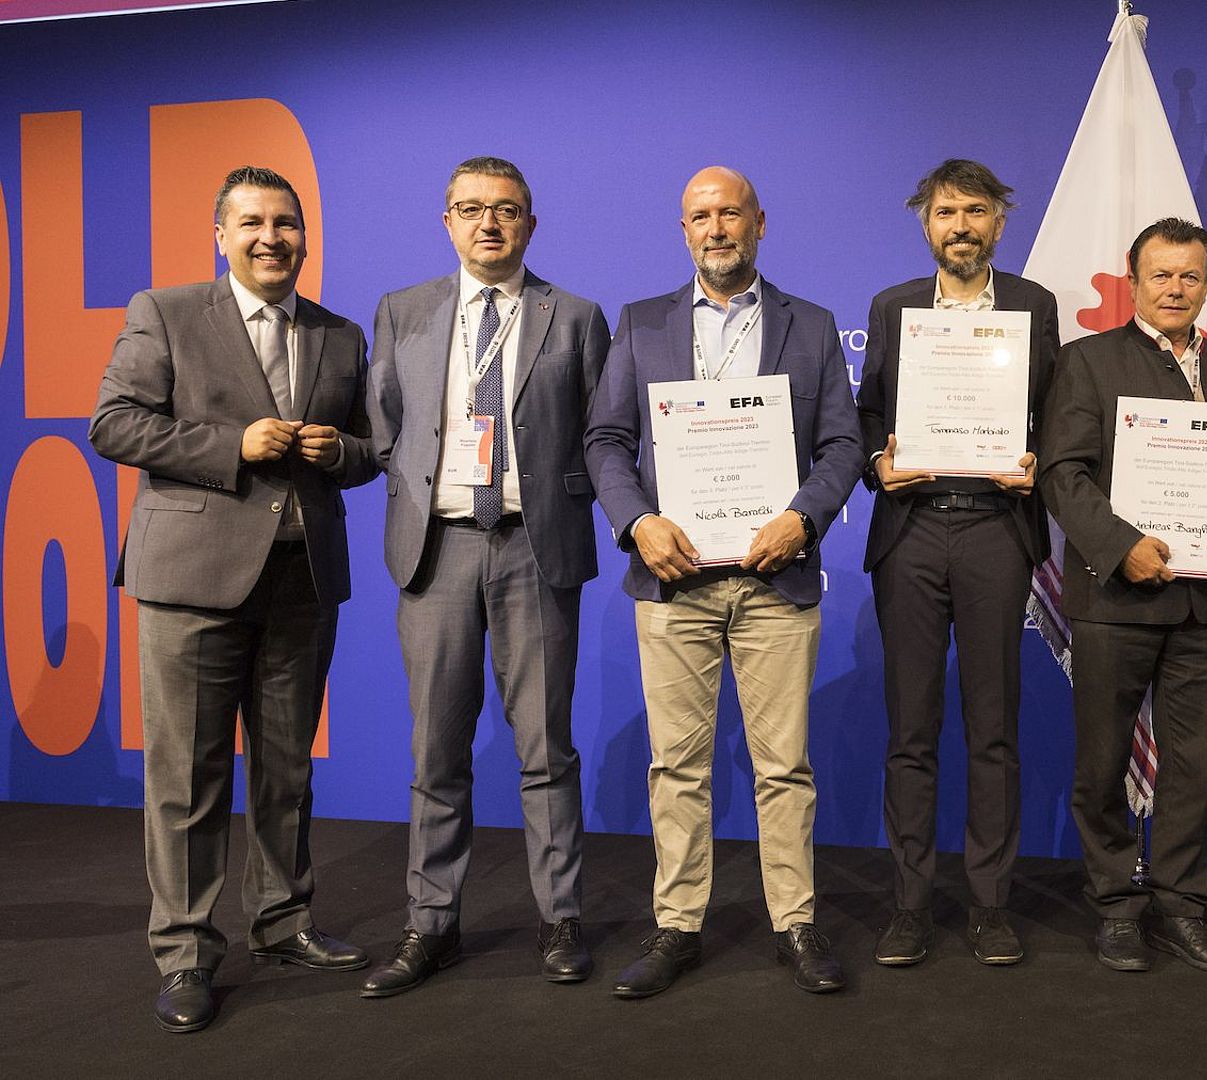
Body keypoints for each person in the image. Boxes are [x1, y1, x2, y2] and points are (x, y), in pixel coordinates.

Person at [89, 165, 379, 1032]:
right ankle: (185, 953)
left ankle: (284, 922)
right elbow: (113, 423)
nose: (271, 238)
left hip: (303, 582)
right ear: (220, 235)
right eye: (252, 222)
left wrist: (339, 455)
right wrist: (233, 444)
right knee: (187, 779)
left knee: (287, 772)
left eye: (286, 223)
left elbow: (374, 449)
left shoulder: (337, 332)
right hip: (191, 585)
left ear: (304, 235)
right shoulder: (166, 311)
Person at [585, 166, 864, 998]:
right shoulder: (640, 325)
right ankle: (677, 927)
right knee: (677, 765)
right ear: (684, 231)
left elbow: (844, 446)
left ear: (759, 223)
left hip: (775, 576)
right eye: (700, 216)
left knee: (785, 765)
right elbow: (604, 439)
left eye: (730, 213)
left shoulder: (810, 326)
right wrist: (639, 521)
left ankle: (796, 923)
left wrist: (804, 518)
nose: (717, 228)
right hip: (673, 578)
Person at [359, 157, 609, 997]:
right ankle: (431, 924)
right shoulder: (403, 311)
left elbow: (599, 433)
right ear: (447, 222)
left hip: (537, 550)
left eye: (506, 211)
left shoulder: (574, 316)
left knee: (547, 748)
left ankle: (561, 916)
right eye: (470, 209)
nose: (488, 224)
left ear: (530, 225)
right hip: (438, 551)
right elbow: (385, 425)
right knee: (437, 751)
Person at [1039, 217, 1207, 975]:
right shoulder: (1088, 361)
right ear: (1133, 281)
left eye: (1190, 276)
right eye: (1161, 275)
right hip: (1117, 596)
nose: (1176, 289)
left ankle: (1181, 906)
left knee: (1195, 762)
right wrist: (1118, 547)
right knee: (1102, 762)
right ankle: (1114, 903)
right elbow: (1062, 474)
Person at [856, 159, 1061, 967]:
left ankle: (988, 904)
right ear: (925, 222)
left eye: (977, 211)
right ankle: (909, 905)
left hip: (995, 529)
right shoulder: (893, 305)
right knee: (910, 728)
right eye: (947, 212)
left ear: (999, 224)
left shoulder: (1036, 307)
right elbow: (869, 405)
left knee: (993, 728)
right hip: (910, 528)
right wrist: (880, 457)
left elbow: (1057, 407)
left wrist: (1039, 458)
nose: (962, 226)